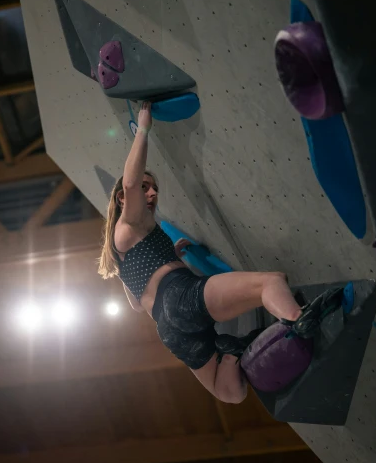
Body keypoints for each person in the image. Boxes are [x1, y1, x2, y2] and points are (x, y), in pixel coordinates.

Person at [97, 101, 306, 404]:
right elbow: (129, 181)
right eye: (147, 187)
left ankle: (234, 350)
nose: (152, 193)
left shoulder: (121, 253)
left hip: (168, 329)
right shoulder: (132, 219)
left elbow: (137, 307)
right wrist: (143, 128)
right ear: (121, 199)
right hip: (181, 298)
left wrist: (171, 259)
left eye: (154, 188)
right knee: (271, 282)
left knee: (229, 393)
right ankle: (300, 324)